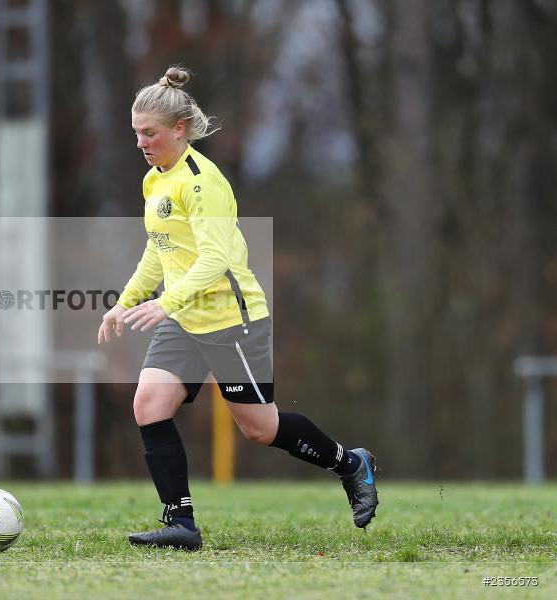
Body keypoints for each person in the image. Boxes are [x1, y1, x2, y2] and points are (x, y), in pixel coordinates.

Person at [98, 66, 378, 551]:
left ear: (179, 130)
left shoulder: (203, 183)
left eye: (150, 133)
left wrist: (166, 303)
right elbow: (157, 248)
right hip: (184, 318)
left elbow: (215, 259)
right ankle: (181, 524)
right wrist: (124, 303)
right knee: (148, 405)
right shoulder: (154, 181)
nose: (141, 142)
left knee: (260, 428)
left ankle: (351, 464)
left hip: (232, 321)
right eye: (136, 133)